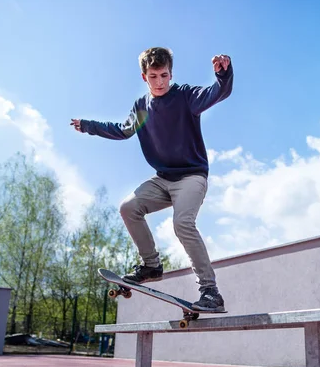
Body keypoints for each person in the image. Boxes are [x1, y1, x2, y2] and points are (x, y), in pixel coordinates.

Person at [70, 47, 233, 311]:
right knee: (128, 208)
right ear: (144, 77)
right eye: (153, 76)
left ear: (171, 74)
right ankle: (151, 265)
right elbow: (123, 131)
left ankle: (210, 291)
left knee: (182, 223)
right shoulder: (142, 107)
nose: (159, 82)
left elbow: (217, 93)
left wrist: (223, 76)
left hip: (191, 176)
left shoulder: (186, 97)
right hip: (162, 179)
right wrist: (89, 125)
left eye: (164, 75)